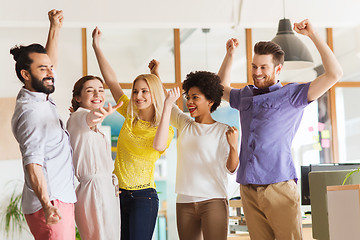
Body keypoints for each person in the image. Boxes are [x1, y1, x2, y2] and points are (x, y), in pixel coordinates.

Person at [217, 19, 343, 240]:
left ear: (278, 69)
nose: (257, 72)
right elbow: (219, 89)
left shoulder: (292, 95)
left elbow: (334, 74)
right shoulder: (245, 94)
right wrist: (229, 56)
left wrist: (312, 35)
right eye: (254, 67)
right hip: (247, 186)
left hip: (279, 185)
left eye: (263, 67)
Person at [92, 27, 174, 240]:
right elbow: (112, 82)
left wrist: (167, 107)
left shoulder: (165, 128)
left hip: (143, 198)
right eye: (136, 90)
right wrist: (96, 46)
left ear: (154, 94)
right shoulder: (129, 113)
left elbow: (157, 146)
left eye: (144, 91)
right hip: (118, 195)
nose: (138, 95)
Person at [151, 61, 239, 240]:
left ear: (210, 101)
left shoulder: (223, 130)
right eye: (188, 97)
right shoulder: (184, 123)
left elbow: (231, 169)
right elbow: (165, 100)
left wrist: (233, 147)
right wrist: (155, 73)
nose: (189, 102)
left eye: (195, 98)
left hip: (214, 200)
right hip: (185, 201)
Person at [10, 9, 77, 240]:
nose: (51, 73)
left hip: (59, 198)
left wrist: (55, 29)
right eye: (43, 69)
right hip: (50, 203)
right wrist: (47, 204)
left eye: (50, 68)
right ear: (25, 74)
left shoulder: (37, 93)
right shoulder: (32, 113)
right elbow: (33, 164)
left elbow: (50, 63)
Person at [66, 75, 122, 240]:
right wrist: (102, 113)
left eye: (100, 90)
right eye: (90, 91)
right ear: (78, 97)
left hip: (105, 189)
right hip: (94, 190)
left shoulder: (94, 124)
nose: (97, 95)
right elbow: (90, 118)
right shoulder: (78, 117)